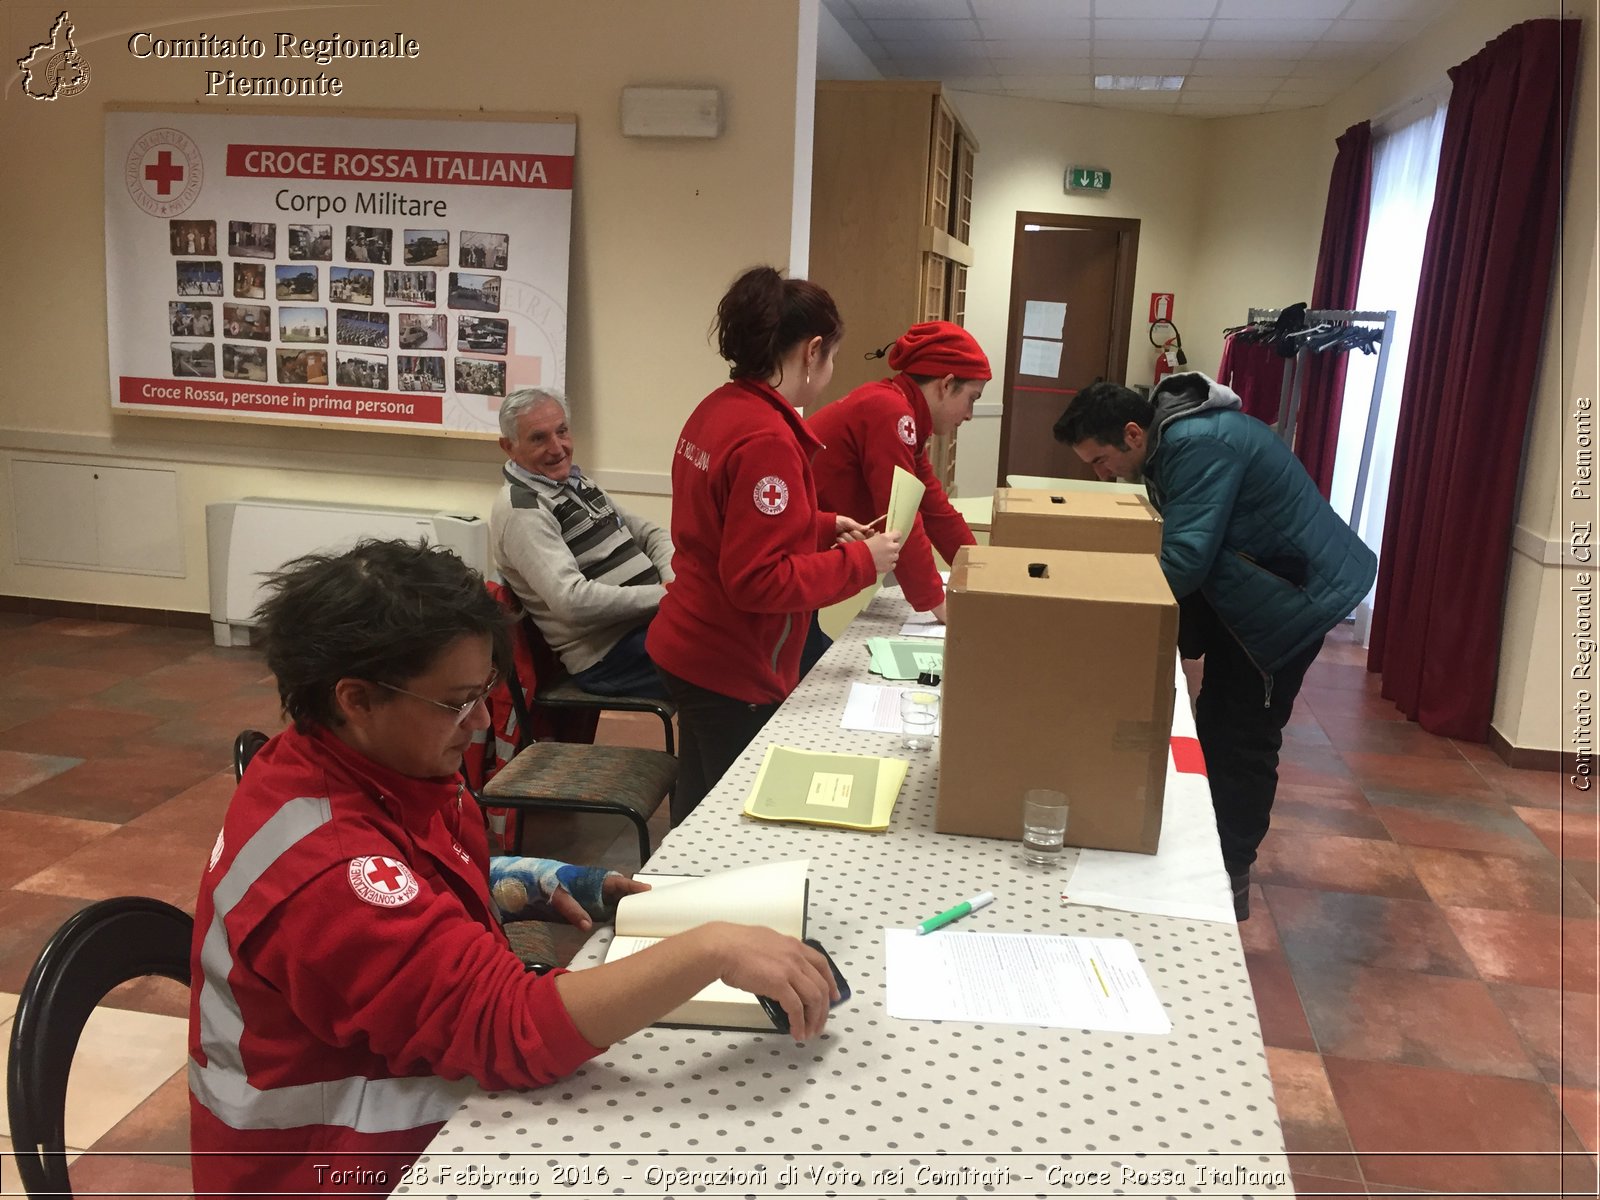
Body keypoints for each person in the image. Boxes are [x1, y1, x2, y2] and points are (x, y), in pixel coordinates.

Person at [188, 540, 840, 1198]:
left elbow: (420, 873)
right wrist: (710, 948)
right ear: (355, 699)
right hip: (333, 1171)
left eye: (484, 693)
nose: (477, 722)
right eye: (456, 701)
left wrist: (541, 879)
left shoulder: (372, 762)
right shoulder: (326, 869)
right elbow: (510, 1029)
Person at [1054, 372, 1376, 920]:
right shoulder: (1177, 436)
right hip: (1267, 585)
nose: (1102, 475)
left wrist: (1097, 607)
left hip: (1293, 599)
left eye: (1100, 460)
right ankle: (1212, 851)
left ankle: (1230, 877)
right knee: (1218, 722)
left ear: (1133, 433)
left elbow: (1184, 560)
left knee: (1243, 737)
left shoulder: (1197, 445)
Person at [647, 267, 901, 820]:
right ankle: (690, 899)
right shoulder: (767, 438)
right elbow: (757, 579)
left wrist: (819, 524)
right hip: (727, 658)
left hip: (690, 638)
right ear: (812, 351)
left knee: (699, 797)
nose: (830, 371)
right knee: (724, 814)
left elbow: (726, 525)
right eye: (832, 357)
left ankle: (673, 892)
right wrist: (862, 561)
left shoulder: (721, 406)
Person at [489, 388, 675, 699]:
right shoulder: (522, 511)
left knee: (739, 637)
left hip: (648, 625)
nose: (557, 447)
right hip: (610, 657)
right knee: (725, 665)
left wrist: (672, 582)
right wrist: (665, 597)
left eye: (562, 431)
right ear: (509, 447)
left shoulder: (575, 483)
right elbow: (572, 602)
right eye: (539, 438)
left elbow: (652, 535)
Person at [809, 319, 991, 625]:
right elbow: (901, 518)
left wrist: (982, 571)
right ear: (946, 384)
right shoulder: (891, 412)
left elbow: (932, 505)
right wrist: (939, 604)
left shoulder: (900, 409)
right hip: (801, 553)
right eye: (971, 398)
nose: (970, 414)